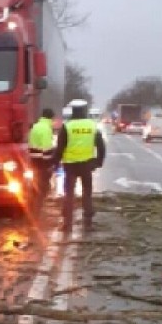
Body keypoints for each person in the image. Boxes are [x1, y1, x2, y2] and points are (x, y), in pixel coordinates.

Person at [53, 98, 106, 233]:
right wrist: (98, 161)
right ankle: (88, 223)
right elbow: (101, 146)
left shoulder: (67, 126)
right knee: (87, 193)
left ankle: (67, 224)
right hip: (87, 165)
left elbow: (60, 148)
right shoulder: (92, 126)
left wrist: (55, 163)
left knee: (69, 194)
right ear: (85, 110)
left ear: (73, 111)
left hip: (70, 166)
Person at [27, 106, 56, 211]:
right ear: (51, 118)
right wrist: (50, 165)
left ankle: (33, 205)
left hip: (33, 160)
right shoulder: (46, 129)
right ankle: (37, 210)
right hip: (42, 163)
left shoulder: (35, 126)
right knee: (43, 187)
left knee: (35, 186)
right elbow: (46, 149)